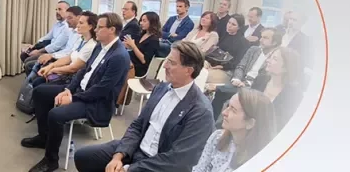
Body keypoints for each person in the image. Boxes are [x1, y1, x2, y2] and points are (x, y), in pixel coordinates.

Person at [73, 41, 215, 172]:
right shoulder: (161, 89)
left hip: (158, 163)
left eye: (171, 62)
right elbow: (138, 125)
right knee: (84, 157)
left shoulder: (200, 111)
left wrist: (129, 169)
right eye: (166, 60)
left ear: (188, 71)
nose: (164, 66)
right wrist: (119, 155)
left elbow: (177, 160)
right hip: (136, 148)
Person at [21, 12, 130, 172]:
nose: (96, 30)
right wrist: (68, 90)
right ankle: (44, 137)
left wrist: (72, 98)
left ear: (112, 30)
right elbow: (83, 70)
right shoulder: (100, 45)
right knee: (40, 92)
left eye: (100, 27)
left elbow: (102, 90)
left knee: (55, 115)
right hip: (81, 92)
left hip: (95, 103)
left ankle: (51, 160)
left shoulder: (119, 56)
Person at [192, 88, 277, 172]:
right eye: (228, 106)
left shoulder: (261, 161)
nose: (224, 113)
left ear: (250, 123)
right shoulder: (217, 137)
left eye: (233, 110)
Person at [211, 28, 282, 120]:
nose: (261, 40)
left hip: (254, 87)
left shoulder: (274, 59)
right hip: (240, 81)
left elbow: (264, 80)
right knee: (220, 92)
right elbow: (241, 66)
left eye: (265, 38)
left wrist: (246, 84)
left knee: (223, 92)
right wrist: (237, 78)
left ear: (274, 42)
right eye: (261, 37)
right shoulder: (253, 49)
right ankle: (212, 121)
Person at [31, 11, 98, 87]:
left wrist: (53, 70)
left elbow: (74, 68)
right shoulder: (81, 40)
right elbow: (69, 57)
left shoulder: (91, 46)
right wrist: (51, 66)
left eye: (81, 23)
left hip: (73, 78)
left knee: (38, 87)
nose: (78, 25)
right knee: (37, 80)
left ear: (90, 26)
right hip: (68, 72)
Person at [23, 6, 84, 87]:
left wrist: (51, 57)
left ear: (79, 18)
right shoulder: (72, 31)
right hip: (61, 55)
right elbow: (49, 37)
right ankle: (30, 85)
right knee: (33, 61)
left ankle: (31, 86)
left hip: (63, 57)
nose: (67, 21)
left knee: (33, 65)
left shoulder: (78, 35)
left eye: (69, 18)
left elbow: (63, 49)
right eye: (56, 9)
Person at [260, 47, 305, 132]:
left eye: (275, 59)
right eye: (270, 57)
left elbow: (281, 125)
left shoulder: (294, 96)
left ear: (285, 67)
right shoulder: (260, 80)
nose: (268, 60)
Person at [22, 1, 72, 74]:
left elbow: (56, 45)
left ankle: (32, 80)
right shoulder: (57, 24)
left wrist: (38, 51)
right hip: (50, 48)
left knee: (28, 62)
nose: (57, 12)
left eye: (60, 9)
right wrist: (35, 45)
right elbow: (48, 37)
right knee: (24, 54)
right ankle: (31, 76)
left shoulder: (68, 27)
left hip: (56, 52)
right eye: (56, 9)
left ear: (67, 11)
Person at [205, 14, 250, 87]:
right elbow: (217, 52)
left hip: (228, 70)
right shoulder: (225, 35)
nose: (229, 25)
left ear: (239, 27)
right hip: (215, 64)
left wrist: (221, 66)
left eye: (233, 24)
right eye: (229, 22)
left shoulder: (243, 42)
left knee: (204, 76)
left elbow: (238, 62)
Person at [123, 11, 161, 77]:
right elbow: (135, 49)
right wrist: (128, 46)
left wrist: (133, 46)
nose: (141, 23)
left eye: (144, 21)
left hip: (138, 67)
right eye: (141, 20)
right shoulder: (142, 35)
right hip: (131, 61)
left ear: (152, 22)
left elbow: (144, 61)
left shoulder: (154, 40)